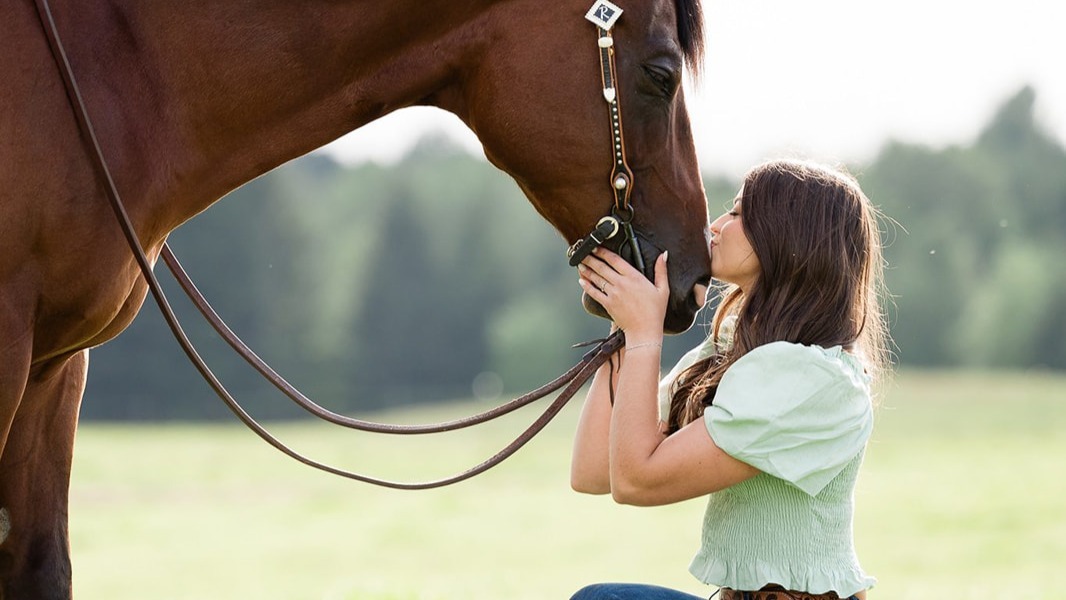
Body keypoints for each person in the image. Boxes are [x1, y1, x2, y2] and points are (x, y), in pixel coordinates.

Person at [570, 159, 889, 600]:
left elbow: (635, 480)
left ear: (786, 234)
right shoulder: (734, 350)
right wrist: (623, 327)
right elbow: (592, 471)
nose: (717, 225)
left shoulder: (812, 379)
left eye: (739, 213)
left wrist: (646, 332)